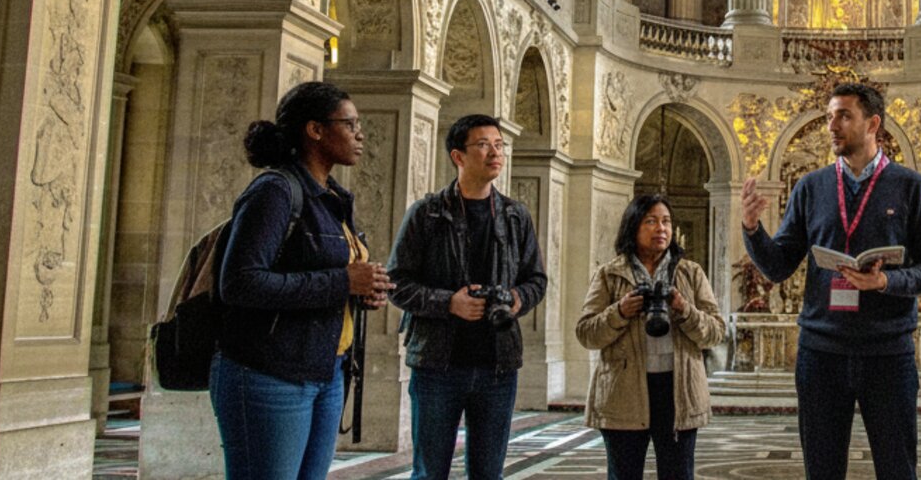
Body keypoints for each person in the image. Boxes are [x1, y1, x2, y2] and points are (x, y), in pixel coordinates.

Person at [740, 81, 921, 480]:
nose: (831, 125)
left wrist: (885, 282)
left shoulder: (910, 186)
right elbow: (779, 265)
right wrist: (752, 230)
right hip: (821, 353)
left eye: (843, 116)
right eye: (829, 116)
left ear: (873, 124)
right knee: (821, 469)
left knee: (897, 468)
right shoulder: (810, 187)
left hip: (888, 353)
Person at [212, 81, 391, 480]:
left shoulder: (332, 197)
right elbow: (240, 282)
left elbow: (322, 273)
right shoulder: (275, 191)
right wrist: (342, 283)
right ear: (315, 130)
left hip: (325, 371)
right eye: (350, 124)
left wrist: (362, 290)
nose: (360, 134)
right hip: (268, 372)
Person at [388, 114, 550, 480]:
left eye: (499, 145)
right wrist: (449, 302)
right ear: (458, 156)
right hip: (436, 363)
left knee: (488, 472)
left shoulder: (515, 215)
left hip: (498, 363)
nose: (495, 152)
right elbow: (397, 282)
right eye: (483, 145)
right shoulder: (427, 213)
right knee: (430, 472)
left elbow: (537, 279)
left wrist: (515, 298)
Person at [576, 193, 728, 479]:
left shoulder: (690, 273)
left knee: (678, 474)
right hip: (623, 391)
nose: (662, 229)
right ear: (633, 226)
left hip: (679, 391)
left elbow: (716, 333)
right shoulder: (609, 275)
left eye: (667, 221)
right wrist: (619, 312)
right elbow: (586, 334)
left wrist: (684, 309)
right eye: (651, 221)